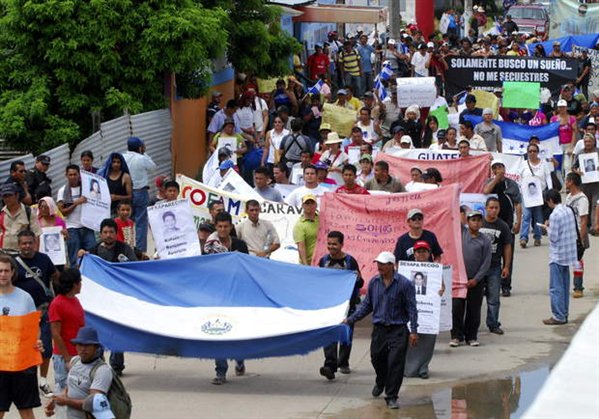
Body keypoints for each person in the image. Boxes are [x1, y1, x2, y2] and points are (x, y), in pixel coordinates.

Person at [345, 251, 418, 410]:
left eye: (383, 264)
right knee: (376, 358)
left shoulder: (404, 284)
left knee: (395, 363)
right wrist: (350, 320)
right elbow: (367, 306)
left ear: (392, 266)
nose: (379, 267)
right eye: (378, 263)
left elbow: (412, 308)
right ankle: (381, 380)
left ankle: (391, 396)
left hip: (398, 329)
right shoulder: (374, 283)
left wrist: (413, 331)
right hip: (379, 329)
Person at [78, 219, 137, 376]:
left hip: (119, 298)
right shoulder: (92, 252)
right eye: (105, 232)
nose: (108, 235)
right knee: (100, 330)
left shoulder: (125, 249)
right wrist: (82, 257)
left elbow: (134, 269)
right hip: (99, 300)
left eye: (111, 232)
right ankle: (99, 364)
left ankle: (117, 366)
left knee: (117, 331)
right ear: (100, 234)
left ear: (116, 233)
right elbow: (80, 272)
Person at [203, 212, 249, 384]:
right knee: (218, 333)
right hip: (217, 295)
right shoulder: (209, 247)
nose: (223, 230)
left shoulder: (240, 245)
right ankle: (220, 371)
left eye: (226, 226)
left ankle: (240, 357)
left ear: (231, 227)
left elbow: (247, 268)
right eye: (220, 226)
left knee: (237, 331)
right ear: (215, 226)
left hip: (237, 294)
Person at [13, 230, 58, 395]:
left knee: (46, 347)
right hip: (22, 314)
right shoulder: (13, 264)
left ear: (35, 243)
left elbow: (56, 276)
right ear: (18, 245)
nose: (27, 246)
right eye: (23, 243)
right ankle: (24, 383)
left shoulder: (44, 259)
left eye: (30, 242)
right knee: (24, 349)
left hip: (44, 311)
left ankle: (43, 381)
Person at [0, 254, 42, 419]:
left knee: (26, 410)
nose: (2, 274)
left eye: (6, 271)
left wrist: (37, 341)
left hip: (22, 363)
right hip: (0, 364)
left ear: (12, 273)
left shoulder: (25, 298)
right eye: (0, 271)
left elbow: (34, 328)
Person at [317, 231, 364, 380]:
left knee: (345, 334)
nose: (331, 247)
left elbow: (360, 283)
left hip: (347, 306)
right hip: (329, 305)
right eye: (329, 244)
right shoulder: (323, 261)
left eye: (334, 244)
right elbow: (319, 280)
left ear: (342, 244)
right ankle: (330, 366)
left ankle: (343, 362)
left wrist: (357, 277)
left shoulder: (350, 261)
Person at [45, 327, 114, 419]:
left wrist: (66, 401)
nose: (83, 349)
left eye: (87, 345)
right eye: (80, 345)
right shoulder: (75, 361)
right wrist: (55, 400)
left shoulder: (102, 370)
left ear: (96, 347)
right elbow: (70, 387)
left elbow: (94, 404)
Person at [404, 240, 444, 380]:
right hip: (410, 310)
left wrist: (441, 290)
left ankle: (423, 367)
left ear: (429, 253)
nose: (421, 254)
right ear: (414, 254)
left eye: (424, 251)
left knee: (428, 339)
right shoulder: (406, 269)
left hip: (428, 311)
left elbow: (442, 286)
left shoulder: (435, 269)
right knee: (410, 338)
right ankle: (408, 367)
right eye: (419, 251)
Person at [451, 210, 491, 347]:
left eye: (479, 220)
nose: (476, 222)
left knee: (474, 309)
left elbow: (486, 262)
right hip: (459, 280)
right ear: (467, 222)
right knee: (456, 307)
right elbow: (454, 216)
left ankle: (471, 337)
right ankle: (456, 336)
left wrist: (476, 279)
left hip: (476, 281)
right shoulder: (461, 233)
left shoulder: (485, 240)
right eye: (473, 220)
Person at [483, 159, 522, 297]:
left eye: (500, 167)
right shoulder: (489, 182)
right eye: (495, 168)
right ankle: (488, 285)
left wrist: (518, 222)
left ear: (505, 169)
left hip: (507, 224)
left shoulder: (512, 184)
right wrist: (496, 179)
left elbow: (517, 204)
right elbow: (486, 191)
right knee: (489, 255)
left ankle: (506, 285)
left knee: (507, 256)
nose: (498, 170)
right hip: (490, 225)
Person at [540, 190, 578, 325]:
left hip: (557, 255)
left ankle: (558, 315)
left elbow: (554, 237)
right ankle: (564, 313)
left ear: (550, 200)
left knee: (556, 287)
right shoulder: (568, 210)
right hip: (568, 254)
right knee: (565, 285)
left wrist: (547, 228)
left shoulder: (554, 215)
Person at [48, 269, 85, 397]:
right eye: (80, 281)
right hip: (65, 357)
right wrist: (67, 357)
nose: (81, 284)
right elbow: (56, 333)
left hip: (78, 354)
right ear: (74, 284)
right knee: (64, 393)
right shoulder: (57, 304)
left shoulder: (75, 300)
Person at [480, 197, 513, 336]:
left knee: (493, 299)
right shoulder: (478, 223)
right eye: (491, 207)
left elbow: (507, 247)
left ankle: (493, 324)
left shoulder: (503, 226)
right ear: (486, 208)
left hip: (494, 267)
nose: (494, 210)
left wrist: (506, 266)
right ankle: (471, 325)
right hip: (478, 268)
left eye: (496, 208)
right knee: (474, 300)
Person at [123, 136, 157, 253]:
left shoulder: (122, 157)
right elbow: (153, 167)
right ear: (139, 147)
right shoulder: (142, 158)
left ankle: (126, 248)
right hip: (140, 192)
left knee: (126, 221)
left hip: (126, 194)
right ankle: (140, 251)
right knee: (141, 223)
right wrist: (144, 153)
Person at [57, 165, 95, 268]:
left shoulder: (87, 188)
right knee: (74, 257)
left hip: (87, 225)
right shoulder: (62, 191)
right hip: (72, 227)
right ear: (66, 175)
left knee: (92, 253)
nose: (73, 177)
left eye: (75, 174)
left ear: (79, 175)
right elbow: (63, 212)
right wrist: (76, 203)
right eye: (70, 174)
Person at [518, 143, 551, 248]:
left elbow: (548, 177)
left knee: (538, 216)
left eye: (534, 151)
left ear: (538, 152)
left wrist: (550, 191)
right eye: (530, 151)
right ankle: (523, 238)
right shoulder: (523, 164)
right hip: (526, 195)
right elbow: (519, 178)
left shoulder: (544, 164)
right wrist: (520, 190)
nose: (532, 153)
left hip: (539, 195)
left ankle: (537, 237)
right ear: (527, 152)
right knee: (526, 215)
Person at [564, 172, 589, 299]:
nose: (565, 183)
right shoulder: (569, 197)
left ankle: (578, 287)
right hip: (569, 233)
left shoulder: (582, 199)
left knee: (578, 260)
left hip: (578, 234)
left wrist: (580, 238)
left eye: (567, 180)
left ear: (571, 182)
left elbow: (584, 220)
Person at [0, 183, 42, 251]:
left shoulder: (28, 212)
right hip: (4, 254)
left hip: (22, 254)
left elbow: (36, 235)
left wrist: (34, 255)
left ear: (17, 195)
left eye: (10, 195)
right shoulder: (1, 213)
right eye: (5, 196)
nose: (7, 198)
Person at [572, 133, 599, 227]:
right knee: (586, 204)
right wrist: (577, 172)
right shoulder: (580, 153)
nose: (587, 143)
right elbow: (573, 167)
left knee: (595, 204)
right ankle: (585, 225)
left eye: (589, 141)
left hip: (596, 183)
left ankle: (594, 226)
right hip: (584, 183)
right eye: (585, 141)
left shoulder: (598, 152)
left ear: (593, 142)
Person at [293, 194, 319, 266]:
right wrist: (306, 266)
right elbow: (301, 247)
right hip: (309, 263)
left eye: (312, 203)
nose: (310, 206)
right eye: (307, 203)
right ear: (302, 206)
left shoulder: (322, 219)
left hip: (322, 262)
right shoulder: (299, 225)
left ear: (316, 205)